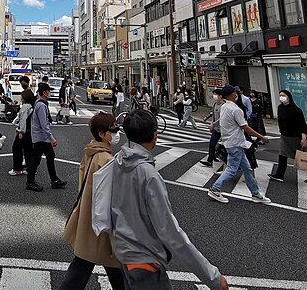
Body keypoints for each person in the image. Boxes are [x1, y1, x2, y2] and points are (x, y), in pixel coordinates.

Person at [111, 110, 227, 290]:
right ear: (155, 135)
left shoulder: (118, 161)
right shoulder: (149, 175)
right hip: (145, 262)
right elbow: (170, 232)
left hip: (123, 254)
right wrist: (212, 277)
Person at [59, 112, 125, 290]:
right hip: (101, 220)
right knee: (110, 265)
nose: (117, 132)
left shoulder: (92, 151)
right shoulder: (106, 159)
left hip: (88, 216)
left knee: (89, 262)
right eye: (114, 129)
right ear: (102, 134)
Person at [206, 84, 271, 204]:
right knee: (231, 169)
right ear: (233, 94)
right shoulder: (235, 109)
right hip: (235, 143)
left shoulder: (224, 107)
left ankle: (255, 194)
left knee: (247, 169)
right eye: (235, 93)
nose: (237, 95)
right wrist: (262, 137)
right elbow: (245, 127)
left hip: (232, 142)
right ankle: (215, 189)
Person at [268, 90, 307, 184]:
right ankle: (279, 175)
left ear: (288, 97)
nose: (281, 97)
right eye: (280, 95)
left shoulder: (296, 110)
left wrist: (304, 136)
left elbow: (302, 123)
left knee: (303, 156)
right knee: (282, 155)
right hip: (285, 136)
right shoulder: (280, 108)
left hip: (295, 136)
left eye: (283, 95)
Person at [26, 83, 66, 192]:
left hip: (41, 136)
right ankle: (30, 182)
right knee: (36, 159)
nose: (50, 93)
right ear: (44, 92)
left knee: (49, 156)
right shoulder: (41, 105)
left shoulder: (40, 103)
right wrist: (52, 138)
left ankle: (54, 180)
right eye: (49, 91)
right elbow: (44, 124)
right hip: (40, 137)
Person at [9, 84, 35, 176]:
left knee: (16, 149)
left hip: (24, 132)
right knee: (28, 151)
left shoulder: (25, 107)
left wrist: (21, 131)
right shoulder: (31, 106)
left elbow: (23, 120)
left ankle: (17, 169)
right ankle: (30, 169)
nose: (20, 97)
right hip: (30, 132)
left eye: (22, 96)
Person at [199, 88, 225, 167]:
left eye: (216, 95)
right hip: (216, 129)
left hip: (224, 130)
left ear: (220, 96)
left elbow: (222, 117)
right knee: (212, 144)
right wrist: (208, 120)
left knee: (224, 147)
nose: (214, 96)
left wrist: (213, 124)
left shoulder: (224, 105)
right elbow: (213, 114)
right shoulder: (215, 104)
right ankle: (210, 160)